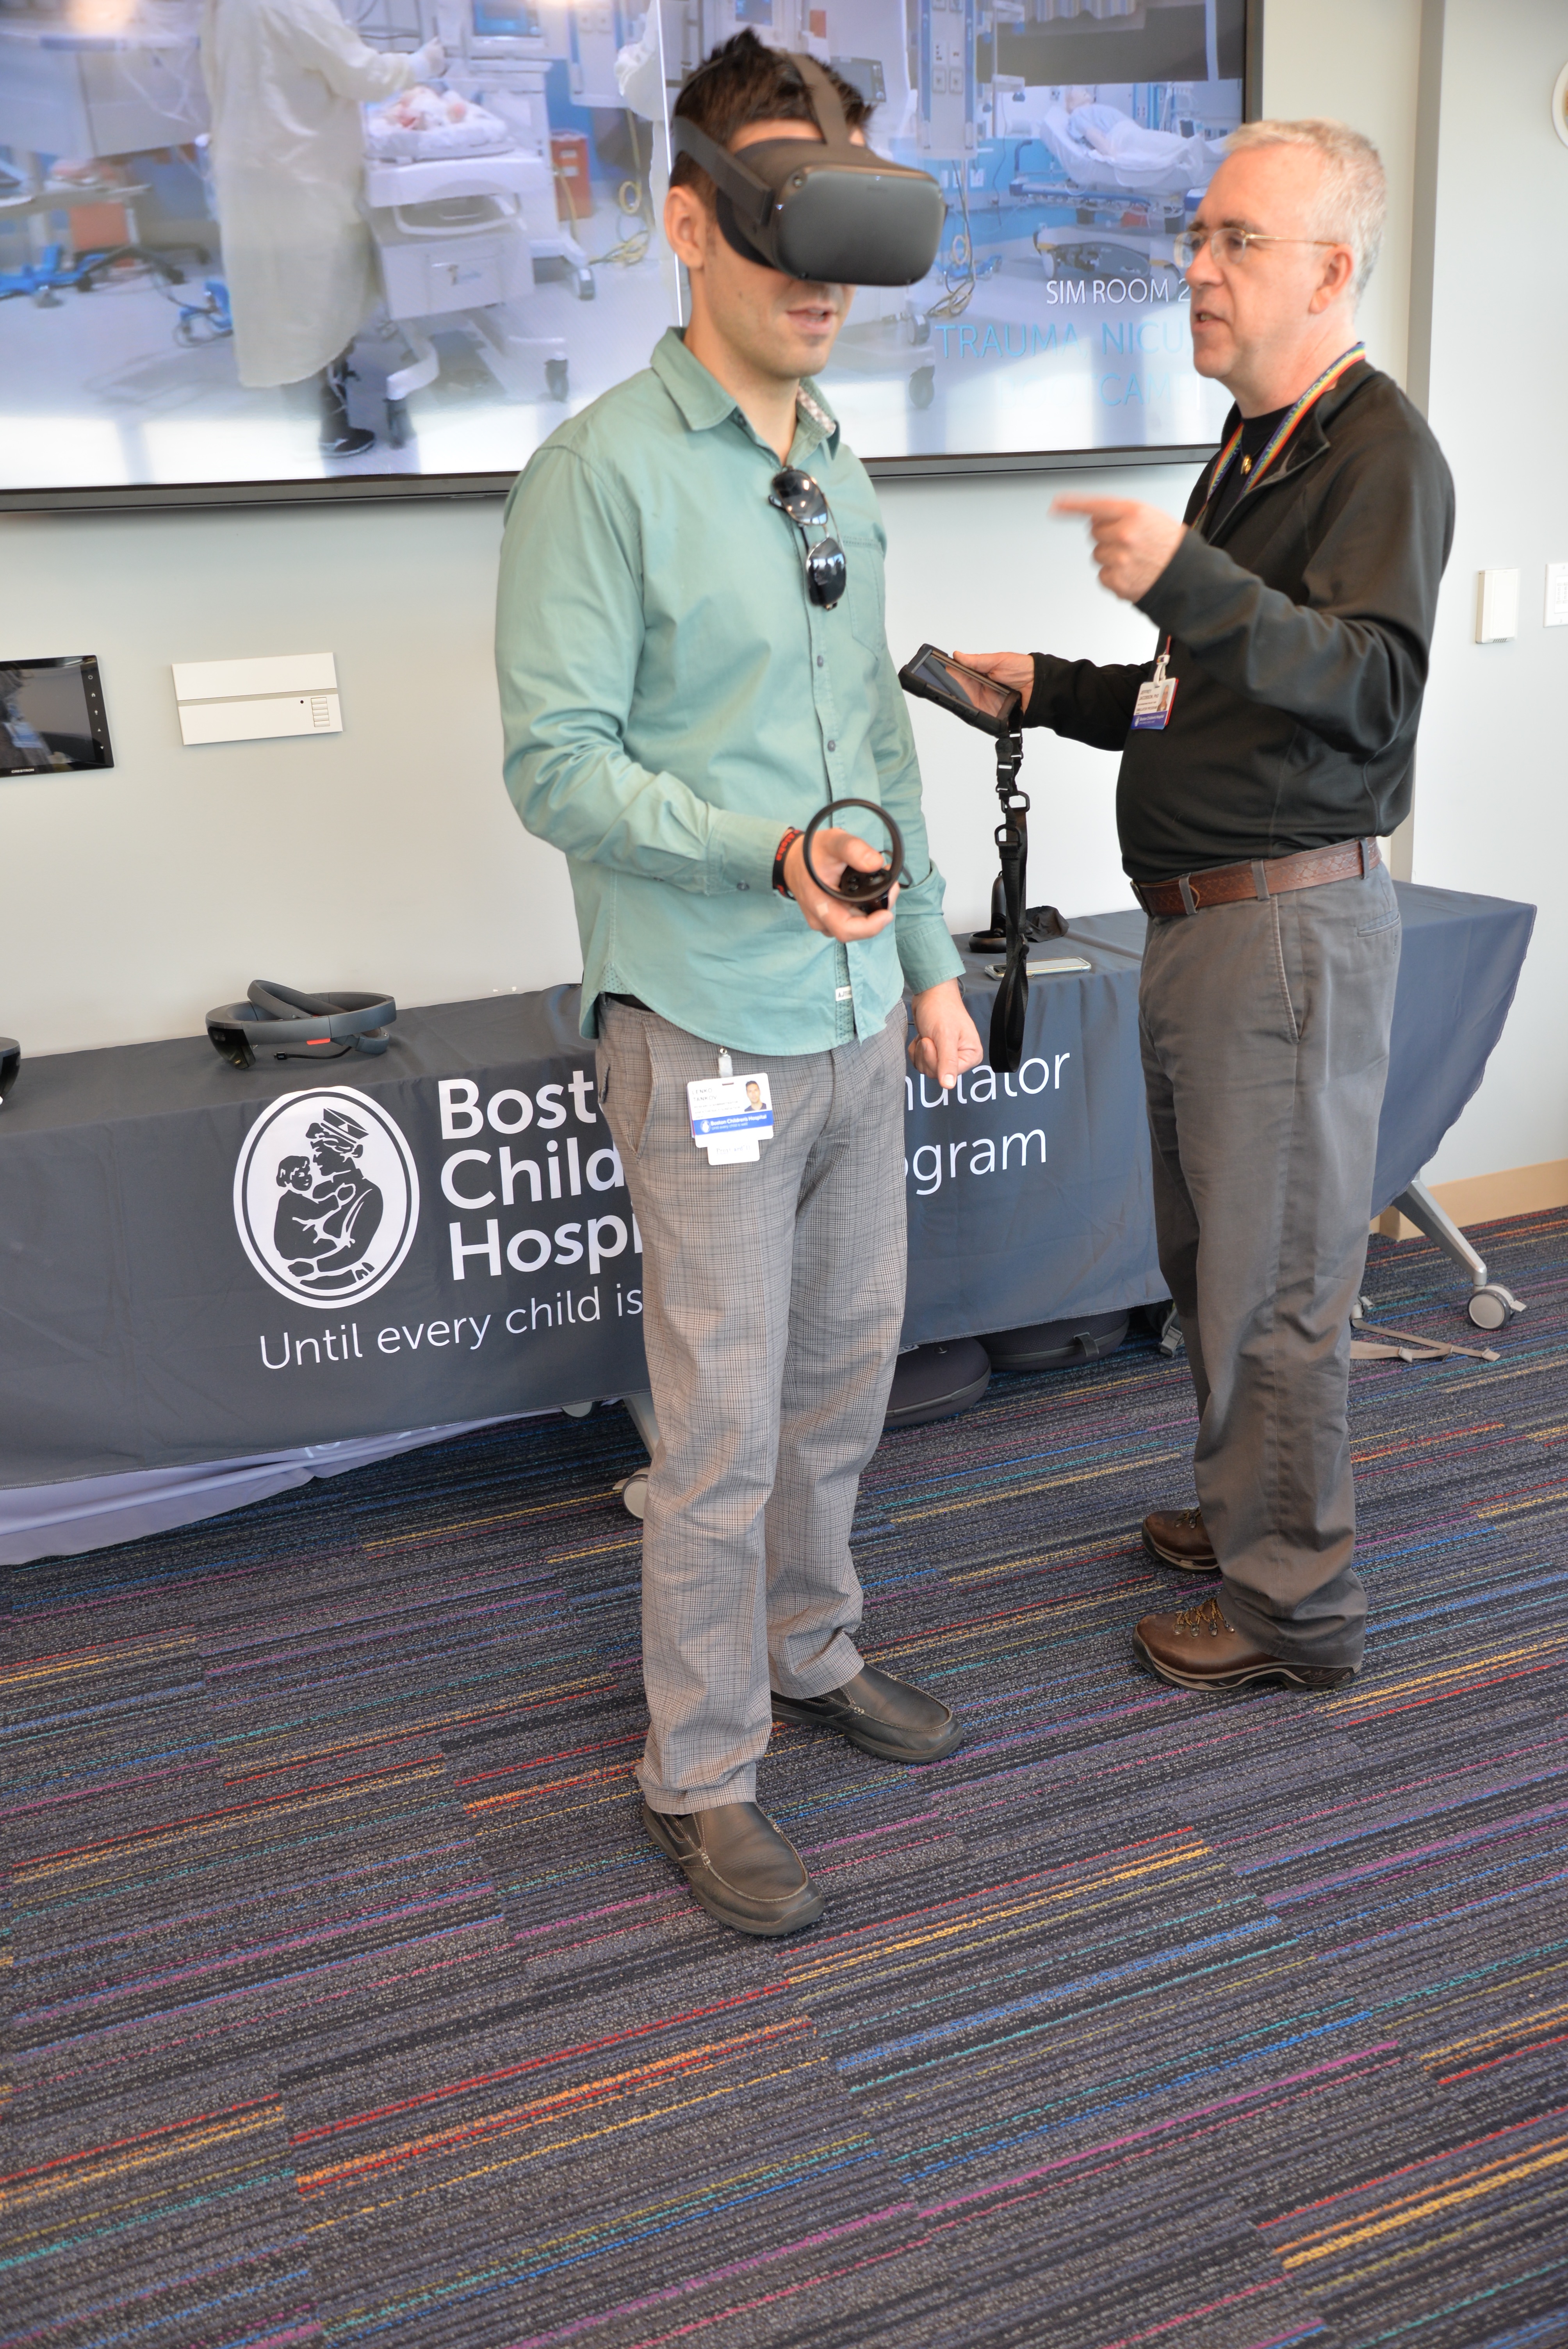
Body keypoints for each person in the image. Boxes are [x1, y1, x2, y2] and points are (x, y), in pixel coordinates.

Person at [495, 31, 982, 1937]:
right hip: (702, 1015)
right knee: (712, 1428)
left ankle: (813, 1647)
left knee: (841, 1385)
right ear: (687, 221)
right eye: (782, 220)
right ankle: (695, 1774)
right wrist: (750, 851)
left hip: (858, 1020)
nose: (817, 271)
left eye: (842, 229)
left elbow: (871, 730)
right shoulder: (597, 477)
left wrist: (929, 960)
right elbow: (554, 764)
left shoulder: (832, 467)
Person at [962, 119, 1453, 1694]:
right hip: (1202, 929)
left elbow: (1366, 693)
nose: (1194, 266)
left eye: (1236, 241)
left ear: (1327, 268)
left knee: (1277, 1290)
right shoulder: (1254, 445)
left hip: (1285, 939)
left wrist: (1184, 575)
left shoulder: (1378, 455)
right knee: (1216, 1271)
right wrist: (1053, 690)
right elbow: (1207, 698)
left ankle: (1289, 1609)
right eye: (1199, 236)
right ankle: (1246, 1514)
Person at [200, 0, 444, 453]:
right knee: (311, 295)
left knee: (279, 297)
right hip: (294, 172)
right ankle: (325, 425)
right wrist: (421, 63)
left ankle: (316, 399)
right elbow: (360, 75)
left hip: (252, 162)